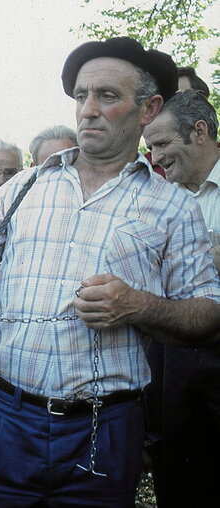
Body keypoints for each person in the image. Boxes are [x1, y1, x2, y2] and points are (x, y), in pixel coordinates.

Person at [0, 37, 220, 506]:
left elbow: (207, 313)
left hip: (103, 431)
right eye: (81, 96)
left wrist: (138, 305)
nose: (88, 110)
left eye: (107, 96)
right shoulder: (28, 185)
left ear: (149, 108)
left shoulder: (172, 206)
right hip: (4, 420)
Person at [142, 89, 220, 507]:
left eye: (161, 143)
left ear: (200, 132)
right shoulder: (158, 200)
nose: (154, 158)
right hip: (169, 352)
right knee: (173, 459)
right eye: (149, 147)